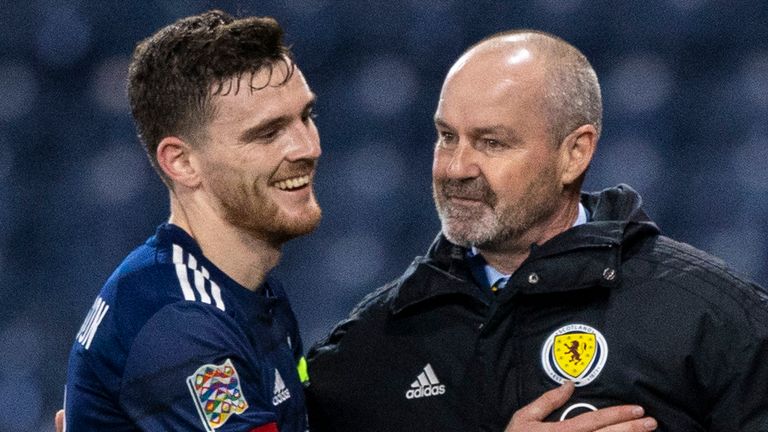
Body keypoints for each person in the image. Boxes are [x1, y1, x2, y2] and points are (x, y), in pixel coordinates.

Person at [305, 30, 768, 431]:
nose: (456, 167)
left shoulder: (714, 320)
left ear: (574, 153)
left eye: (492, 142)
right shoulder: (369, 347)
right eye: (447, 136)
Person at [64, 10, 321, 431]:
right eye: (268, 133)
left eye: (306, 117)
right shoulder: (178, 322)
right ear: (182, 162)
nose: (307, 147)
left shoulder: (250, 289)